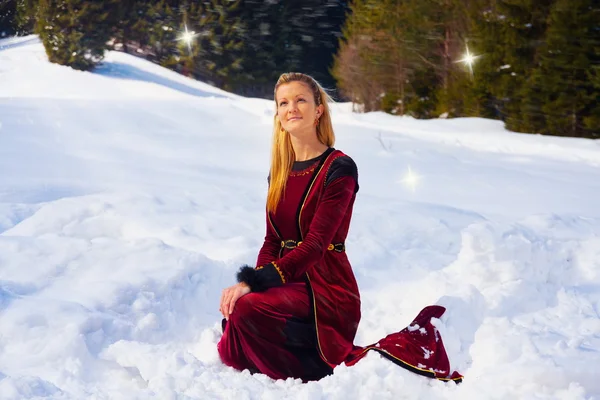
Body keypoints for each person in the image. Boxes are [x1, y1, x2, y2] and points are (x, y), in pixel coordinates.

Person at [217, 72, 462, 383]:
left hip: (326, 286)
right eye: (284, 103)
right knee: (239, 321)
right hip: (287, 280)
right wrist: (259, 284)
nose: (292, 107)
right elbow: (272, 240)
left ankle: (311, 368)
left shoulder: (339, 167)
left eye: (300, 99)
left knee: (247, 312)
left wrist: (256, 283)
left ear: (319, 109)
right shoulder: (278, 172)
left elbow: (316, 245)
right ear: (278, 115)